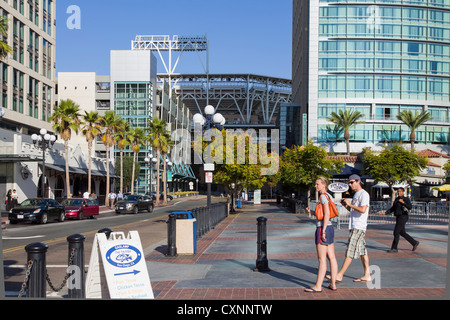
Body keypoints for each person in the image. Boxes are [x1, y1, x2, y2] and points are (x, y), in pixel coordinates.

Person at [331, 174, 371, 283]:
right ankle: (367, 274)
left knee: (350, 251)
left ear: (358, 182)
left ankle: (340, 274)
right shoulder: (356, 194)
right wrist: (346, 205)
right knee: (363, 252)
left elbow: (363, 210)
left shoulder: (364, 194)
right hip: (355, 225)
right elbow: (354, 211)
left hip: (359, 226)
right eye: (349, 182)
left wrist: (350, 204)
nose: (350, 184)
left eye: (352, 182)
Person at [305, 177, 338, 292]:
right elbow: (323, 214)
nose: (316, 186)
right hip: (330, 227)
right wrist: (312, 212)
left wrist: (323, 231)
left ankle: (318, 286)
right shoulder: (329, 196)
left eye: (317, 184)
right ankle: (333, 284)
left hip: (322, 228)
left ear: (324, 185)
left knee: (322, 259)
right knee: (332, 257)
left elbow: (327, 214)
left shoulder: (323, 196)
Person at [380, 187, 419, 252]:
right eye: (398, 191)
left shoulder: (406, 199)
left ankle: (394, 248)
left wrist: (403, 202)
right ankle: (414, 243)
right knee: (402, 232)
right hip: (398, 217)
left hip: (403, 216)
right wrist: (385, 213)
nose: (399, 192)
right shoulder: (396, 199)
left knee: (396, 232)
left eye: (400, 191)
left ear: (403, 192)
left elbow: (410, 207)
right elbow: (392, 208)